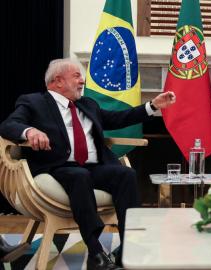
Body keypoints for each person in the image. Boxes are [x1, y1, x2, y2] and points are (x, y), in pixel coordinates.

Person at [0, 58, 176, 270]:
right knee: (79, 176)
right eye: (76, 76)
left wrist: (152, 106)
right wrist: (30, 131)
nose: (82, 80)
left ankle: (129, 248)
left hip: (94, 166)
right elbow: (9, 124)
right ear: (57, 81)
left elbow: (118, 119)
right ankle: (95, 250)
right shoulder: (33, 102)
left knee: (126, 174)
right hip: (59, 167)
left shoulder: (87, 104)